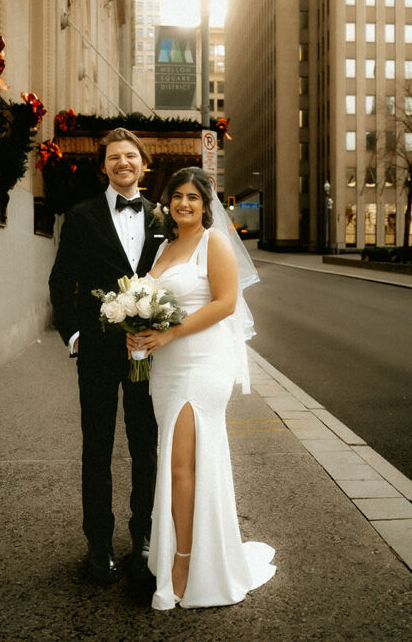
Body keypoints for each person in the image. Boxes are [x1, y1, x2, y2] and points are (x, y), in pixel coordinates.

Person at [128, 166, 276, 609]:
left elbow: (226, 303)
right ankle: (180, 551)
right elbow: (152, 305)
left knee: (180, 466)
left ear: (205, 204)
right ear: (167, 203)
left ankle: (186, 566)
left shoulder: (214, 244)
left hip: (201, 363)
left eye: (194, 197)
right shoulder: (166, 248)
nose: (185, 204)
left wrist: (170, 335)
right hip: (166, 367)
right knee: (177, 462)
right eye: (178, 196)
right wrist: (137, 331)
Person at [48, 128, 163, 587]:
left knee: (145, 447)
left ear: (143, 164)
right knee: (96, 447)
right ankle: (98, 543)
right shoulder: (81, 216)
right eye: (114, 157)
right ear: (105, 166)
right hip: (96, 350)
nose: (123, 163)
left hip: (148, 353)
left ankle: (145, 540)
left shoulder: (162, 217)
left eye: (130, 156)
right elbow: (61, 281)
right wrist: (74, 335)